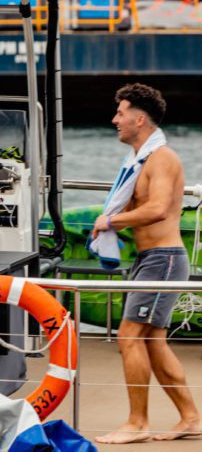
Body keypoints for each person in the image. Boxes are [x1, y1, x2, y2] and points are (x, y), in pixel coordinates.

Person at [92, 83, 200, 444]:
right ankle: (190, 418)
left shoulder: (162, 158)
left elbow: (156, 209)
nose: (115, 120)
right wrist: (113, 224)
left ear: (140, 119)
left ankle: (137, 423)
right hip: (151, 259)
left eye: (120, 113)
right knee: (153, 341)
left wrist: (110, 221)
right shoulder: (140, 162)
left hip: (164, 260)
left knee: (129, 336)